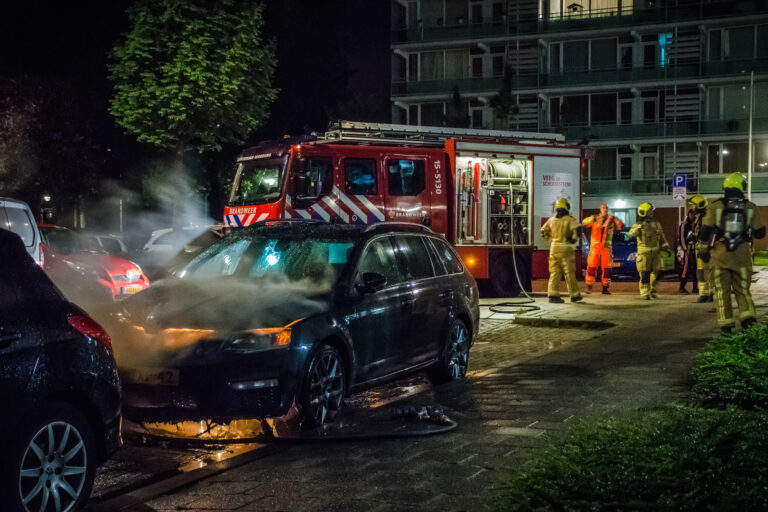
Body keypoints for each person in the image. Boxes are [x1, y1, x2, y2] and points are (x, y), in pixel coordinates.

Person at [697, 173, 766, 333]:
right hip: (742, 255)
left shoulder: (714, 206)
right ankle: (748, 321)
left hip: (720, 255)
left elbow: (705, 231)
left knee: (721, 291)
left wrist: (703, 251)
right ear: (742, 186)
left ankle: (726, 327)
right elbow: (759, 233)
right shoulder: (750, 207)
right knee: (743, 289)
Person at [541, 198, 582, 304]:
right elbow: (578, 229)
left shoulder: (551, 220)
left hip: (554, 249)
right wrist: (573, 239)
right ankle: (574, 295)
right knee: (569, 273)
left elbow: (543, 231)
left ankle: (553, 295)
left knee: (554, 273)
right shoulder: (569, 219)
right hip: (566, 249)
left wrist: (550, 239)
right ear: (566, 207)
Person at [628, 202, 670, 300]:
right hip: (644, 254)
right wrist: (639, 227)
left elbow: (662, 236)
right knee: (645, 274)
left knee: (659, 272)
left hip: (656, 253)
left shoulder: (656, 223)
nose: (652, 212)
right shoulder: (638, 225)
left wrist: (666, 247)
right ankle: (645, 293)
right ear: (644, 212)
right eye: (650, 211)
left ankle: (651, 290)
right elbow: (631, 235)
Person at [582, 203, 624, 294]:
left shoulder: (612, 220)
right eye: (603, 208)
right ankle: (589, 286)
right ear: (600, 209)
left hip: (606, 248)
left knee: (607, 269)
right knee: (591, 267)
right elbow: (584, 223)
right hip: (595, 247)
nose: (605, 209)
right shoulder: (595, 218)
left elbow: (621, 226)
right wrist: (592, 218)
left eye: (606, 208)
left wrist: (615, 219)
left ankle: (605, 288)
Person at [689, 195, 714, 303]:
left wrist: (708, 247)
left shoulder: (708, 217)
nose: (692, 208)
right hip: (699, 248)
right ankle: (704, 294)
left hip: (708, 248)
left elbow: (711, 233)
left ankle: (710, 294)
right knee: (700, 271)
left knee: (709, 271)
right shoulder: (699, 217)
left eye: (694, 205)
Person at [676, 208, 698, 294]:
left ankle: (695, 288)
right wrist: (685, 249)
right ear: (689, 214)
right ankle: (681, 288)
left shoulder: (696, 223)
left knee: (696, 268)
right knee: (686, 268)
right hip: (687, 249)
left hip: (695, 249)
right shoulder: (684, 224)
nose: (693, 216)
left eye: (694, 214)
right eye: (691, 214)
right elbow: (681, 237)